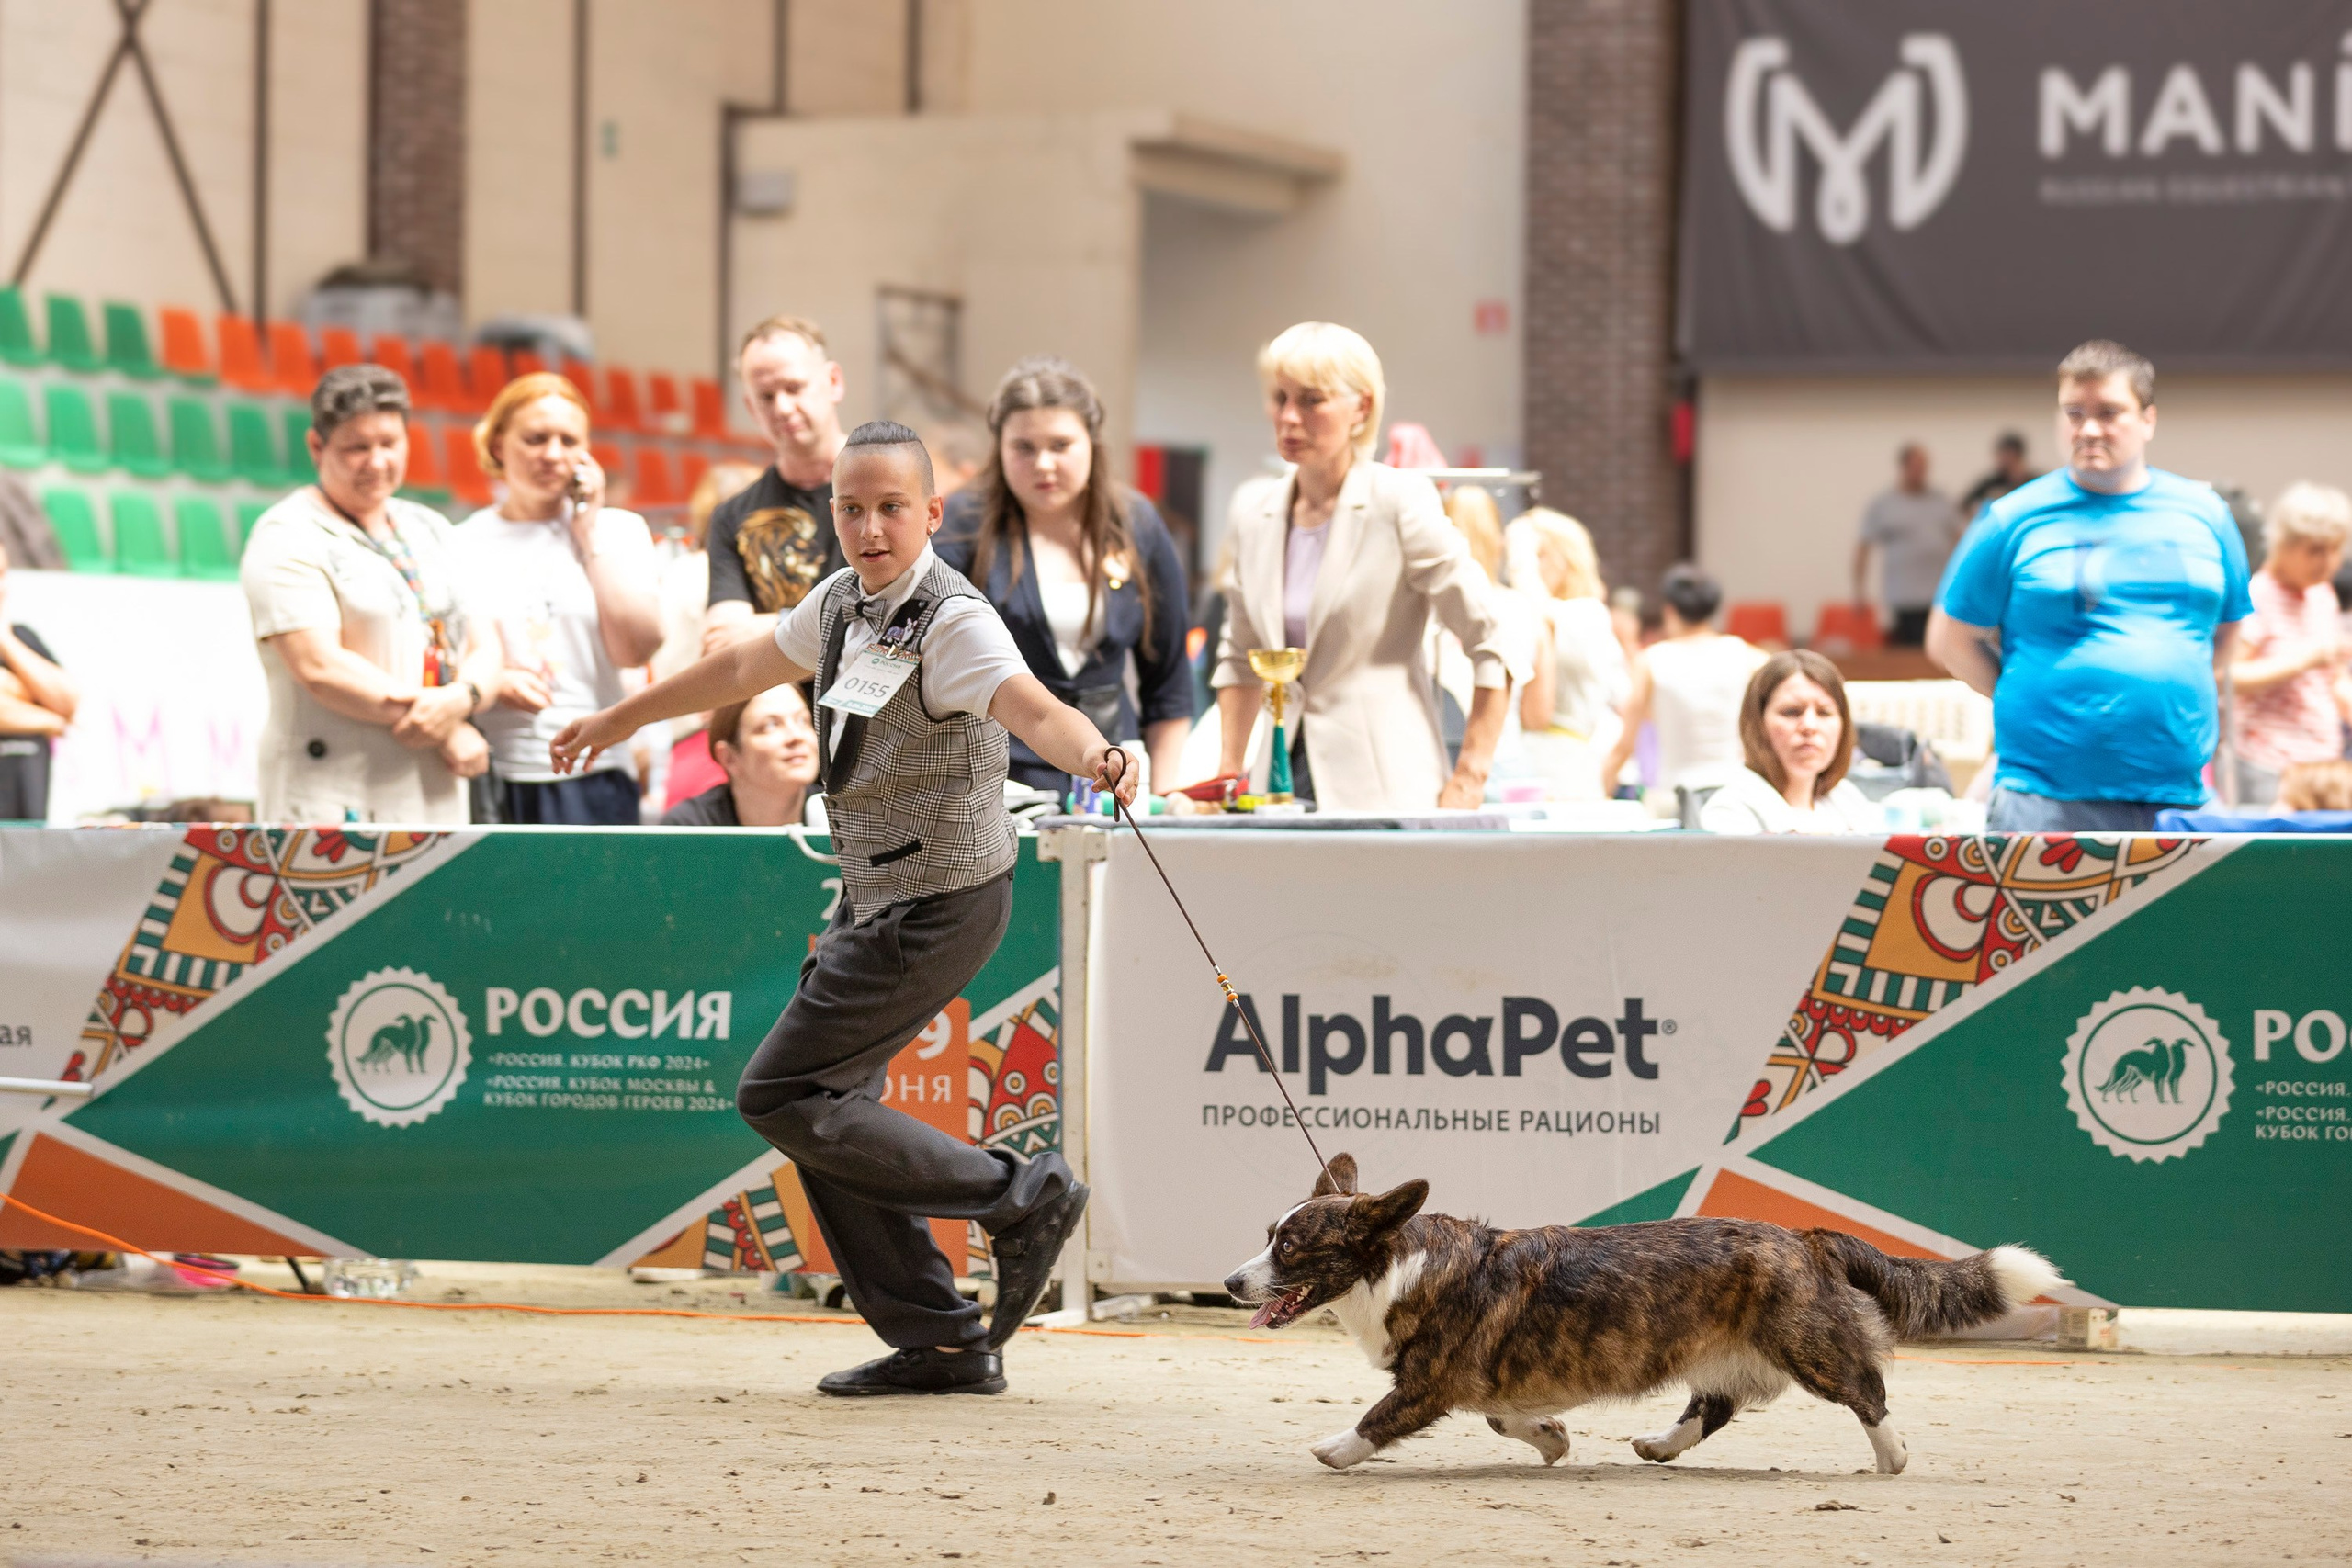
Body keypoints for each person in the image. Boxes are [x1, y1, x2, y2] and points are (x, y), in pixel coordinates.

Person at [550, 420, 1131, 1397]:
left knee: (779, 1095)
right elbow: (739, 670)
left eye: (891, 508)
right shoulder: (839, 604)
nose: (870, 528)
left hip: (940, 901)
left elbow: (1031, 707)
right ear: (832, 514)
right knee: (818, 1109)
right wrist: (620, 717)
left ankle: (1019, 1195)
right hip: (878, 897)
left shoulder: (955, 622)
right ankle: (941, 1342)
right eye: (852, 509)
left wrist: (1097, 756)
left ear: (932, 514)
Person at [1929, 340, 2252, 833]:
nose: (2089, 429)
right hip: (2044, 795)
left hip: (2178, 793)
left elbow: (2228, 631)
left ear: (2148, 420)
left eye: (2109, 412)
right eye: (2073, 413)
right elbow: (1953, 641)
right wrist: (2027, 697)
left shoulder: (2206, 514)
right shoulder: (2012, 518)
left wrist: (2163, 689)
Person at [1213, 321, 1513, 811]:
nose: (1288, 417)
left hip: (1385, 785)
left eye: (1312, 400)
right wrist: (1227, 775)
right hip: (1277, 782)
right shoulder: (1255, 515)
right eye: (1280, 398)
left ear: (1362, 408)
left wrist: (1471, 777)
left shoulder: (1399, 501)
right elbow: (1240, 658)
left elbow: (1494, 637)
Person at [241, 366, 496, 823]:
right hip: (333, 797)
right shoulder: (286, 534)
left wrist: (465, 697)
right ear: (317, 446)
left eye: (389, 443)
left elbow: (485, 645)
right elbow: (319, 666)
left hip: (434, 786)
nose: (377, 462)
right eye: (357, 447)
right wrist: (446, 725)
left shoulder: (431, 528)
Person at [934, 357, 1193, 799]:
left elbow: (1168, 684)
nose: (1044, 464)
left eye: (1060, 445)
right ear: (999, 448)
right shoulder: (960, 524)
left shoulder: (1137, 523)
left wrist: (1166, 797)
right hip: (999, 779)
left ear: (1091, 442)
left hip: (1113, 776)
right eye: (1024, 448)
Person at [451, 374, 662, 824]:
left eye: (569, 441)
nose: (552, 454)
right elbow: (446, 652)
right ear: (498, 445)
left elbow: (635, 650)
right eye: (535, 439)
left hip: (594, 770)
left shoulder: (618, 530)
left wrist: (588, 533)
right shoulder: (460, 542)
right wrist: (494, 679)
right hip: (495, 769)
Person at [703, 316, 850, 653]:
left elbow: (889, 615)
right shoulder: (731, 516)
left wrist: (771, 624)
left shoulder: (890, 491)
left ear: (833, 382)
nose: (782, 407)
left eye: (794, 388)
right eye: (766, 397)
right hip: (773, 685)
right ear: (750, 408)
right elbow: (723, 643)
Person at [1601, 564, 1765, 807]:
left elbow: (1625, 744)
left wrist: (1603, 787)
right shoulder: (1749, 657)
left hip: (1676, 796)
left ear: (1669, 610)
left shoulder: (1650, 661)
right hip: (1734, 793)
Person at [2230, 482, 2351, 806]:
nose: (2328, 562)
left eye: (2335, 549)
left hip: (2323, 765)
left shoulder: (2322, 596)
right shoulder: (2258, 595)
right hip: (2268, 765)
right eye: (2316, 550)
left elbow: (2335, 681)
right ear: (2285, 544)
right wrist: (2303, 660)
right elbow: (2229, 677)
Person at [1513, 509, 1628, 800]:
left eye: (1540, 556)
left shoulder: (1587, 613)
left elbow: (1539, 609)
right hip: (1537, 757)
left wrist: (1520, 556)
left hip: (1563, 763)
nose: (1534, 566)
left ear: (1565, 560)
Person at [1702, 649, 1879, 834]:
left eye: (1824, 712)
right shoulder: (1730, 812)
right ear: (1757, 723)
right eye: (1792, 712)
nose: (1809, 725)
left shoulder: (1849, 799)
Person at [660, 683, 820, 826]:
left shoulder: (833, 814)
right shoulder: (689, 829)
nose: (796, 736)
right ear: (728, 758)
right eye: (770, 725)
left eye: (803, 721)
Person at [1852, 444, 1962, 648]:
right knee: (1904, 654)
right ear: (1903, 467)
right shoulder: (1884, 504)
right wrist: (1859, 590)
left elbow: (1959, 539)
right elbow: (1864, 547)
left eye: (1923, 467)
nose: (1920, 472)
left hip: (1936, 597)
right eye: (1915, 467)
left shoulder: (1941, 501)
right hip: (1901, 599)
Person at [0, 538, 77, 820]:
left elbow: (67, 700)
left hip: (26, 826)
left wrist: (5, 639)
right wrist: (48, 719)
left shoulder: (22, 638)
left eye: (3, 574)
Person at [1962, 432, 2037, 518]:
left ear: (2017, 456)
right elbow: (1965, 505)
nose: (2000, 460)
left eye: (2005, 455)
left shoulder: (2035, 482)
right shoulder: (1991, 483)